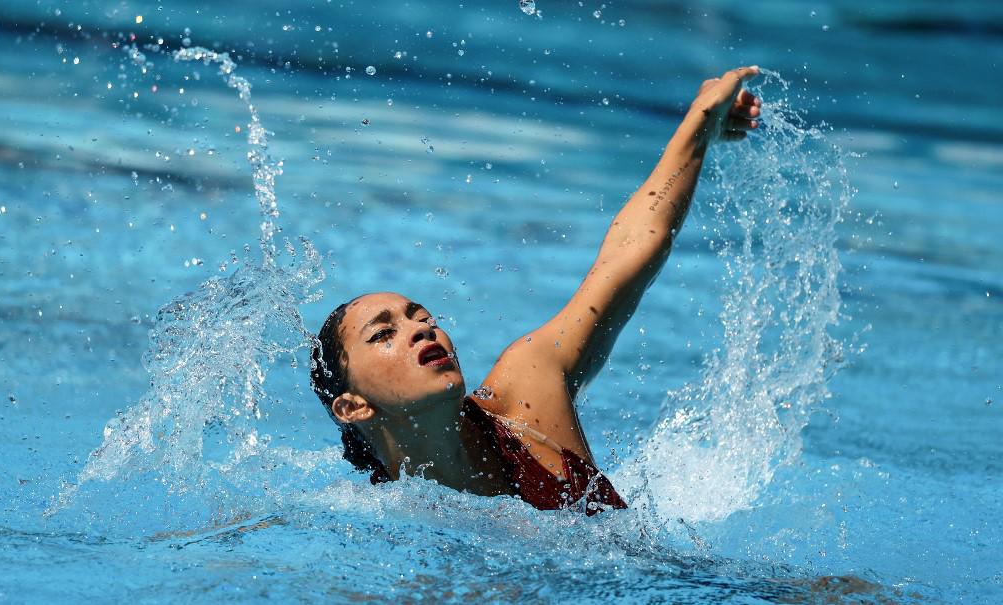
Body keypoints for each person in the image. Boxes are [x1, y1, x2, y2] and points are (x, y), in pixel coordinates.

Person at [310, 66, 764, 515]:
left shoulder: (525, 395)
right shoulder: (363, 518)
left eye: (423, 317)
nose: (421, 331)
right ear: (352, 407)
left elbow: (630, 253)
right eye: (382, 334)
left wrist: (699, 124)